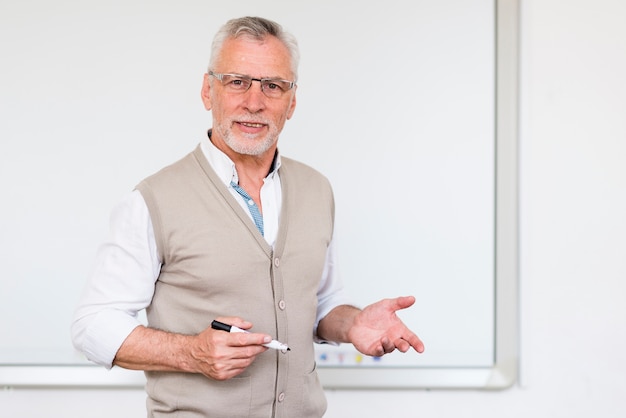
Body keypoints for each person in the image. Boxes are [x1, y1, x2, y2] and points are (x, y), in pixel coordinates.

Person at [71, 16, 424, 418]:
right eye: (237, 81)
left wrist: (353, 323)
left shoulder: (316, 189)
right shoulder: (153, 200)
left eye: (272, 86)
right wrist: (192, 353)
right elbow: (92, 326)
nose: (254, 102)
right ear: (208, 91)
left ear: (291, 102)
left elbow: (321, 301)